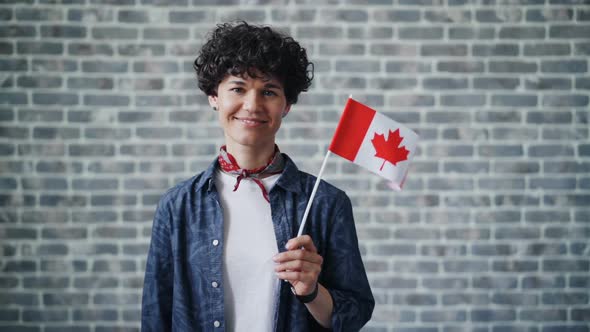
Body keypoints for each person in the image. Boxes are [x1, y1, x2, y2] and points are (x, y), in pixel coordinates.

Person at [141, 21, 374, 332]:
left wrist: (311, 291)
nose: (252, 105)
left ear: (287, 105)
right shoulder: (177, 206)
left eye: (269, 91)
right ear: (214, 96)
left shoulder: (325, 203)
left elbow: (354, 314)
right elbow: (155, 318)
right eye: (237, 88)